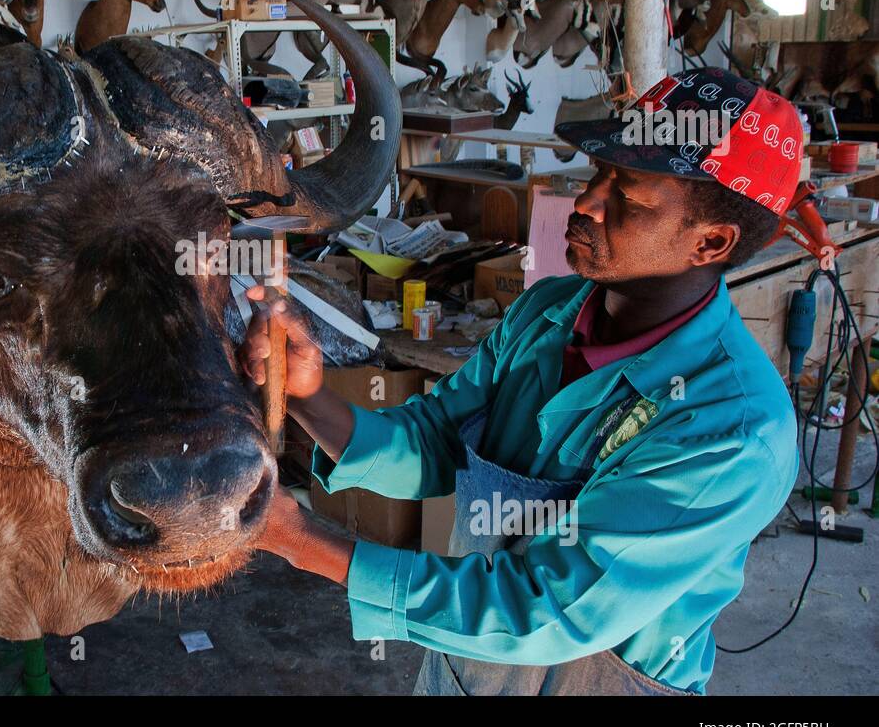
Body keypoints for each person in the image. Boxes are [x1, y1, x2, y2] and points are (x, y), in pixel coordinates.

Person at [241, 68, 802, 695]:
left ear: (713, 242)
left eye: (629, 193)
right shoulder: (546, 313)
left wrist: (302, 540)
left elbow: (550, 611)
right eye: (599, 172)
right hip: (468, 664)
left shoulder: (733, 428)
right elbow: (435, 446)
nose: (587, 202)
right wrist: (309, 396)